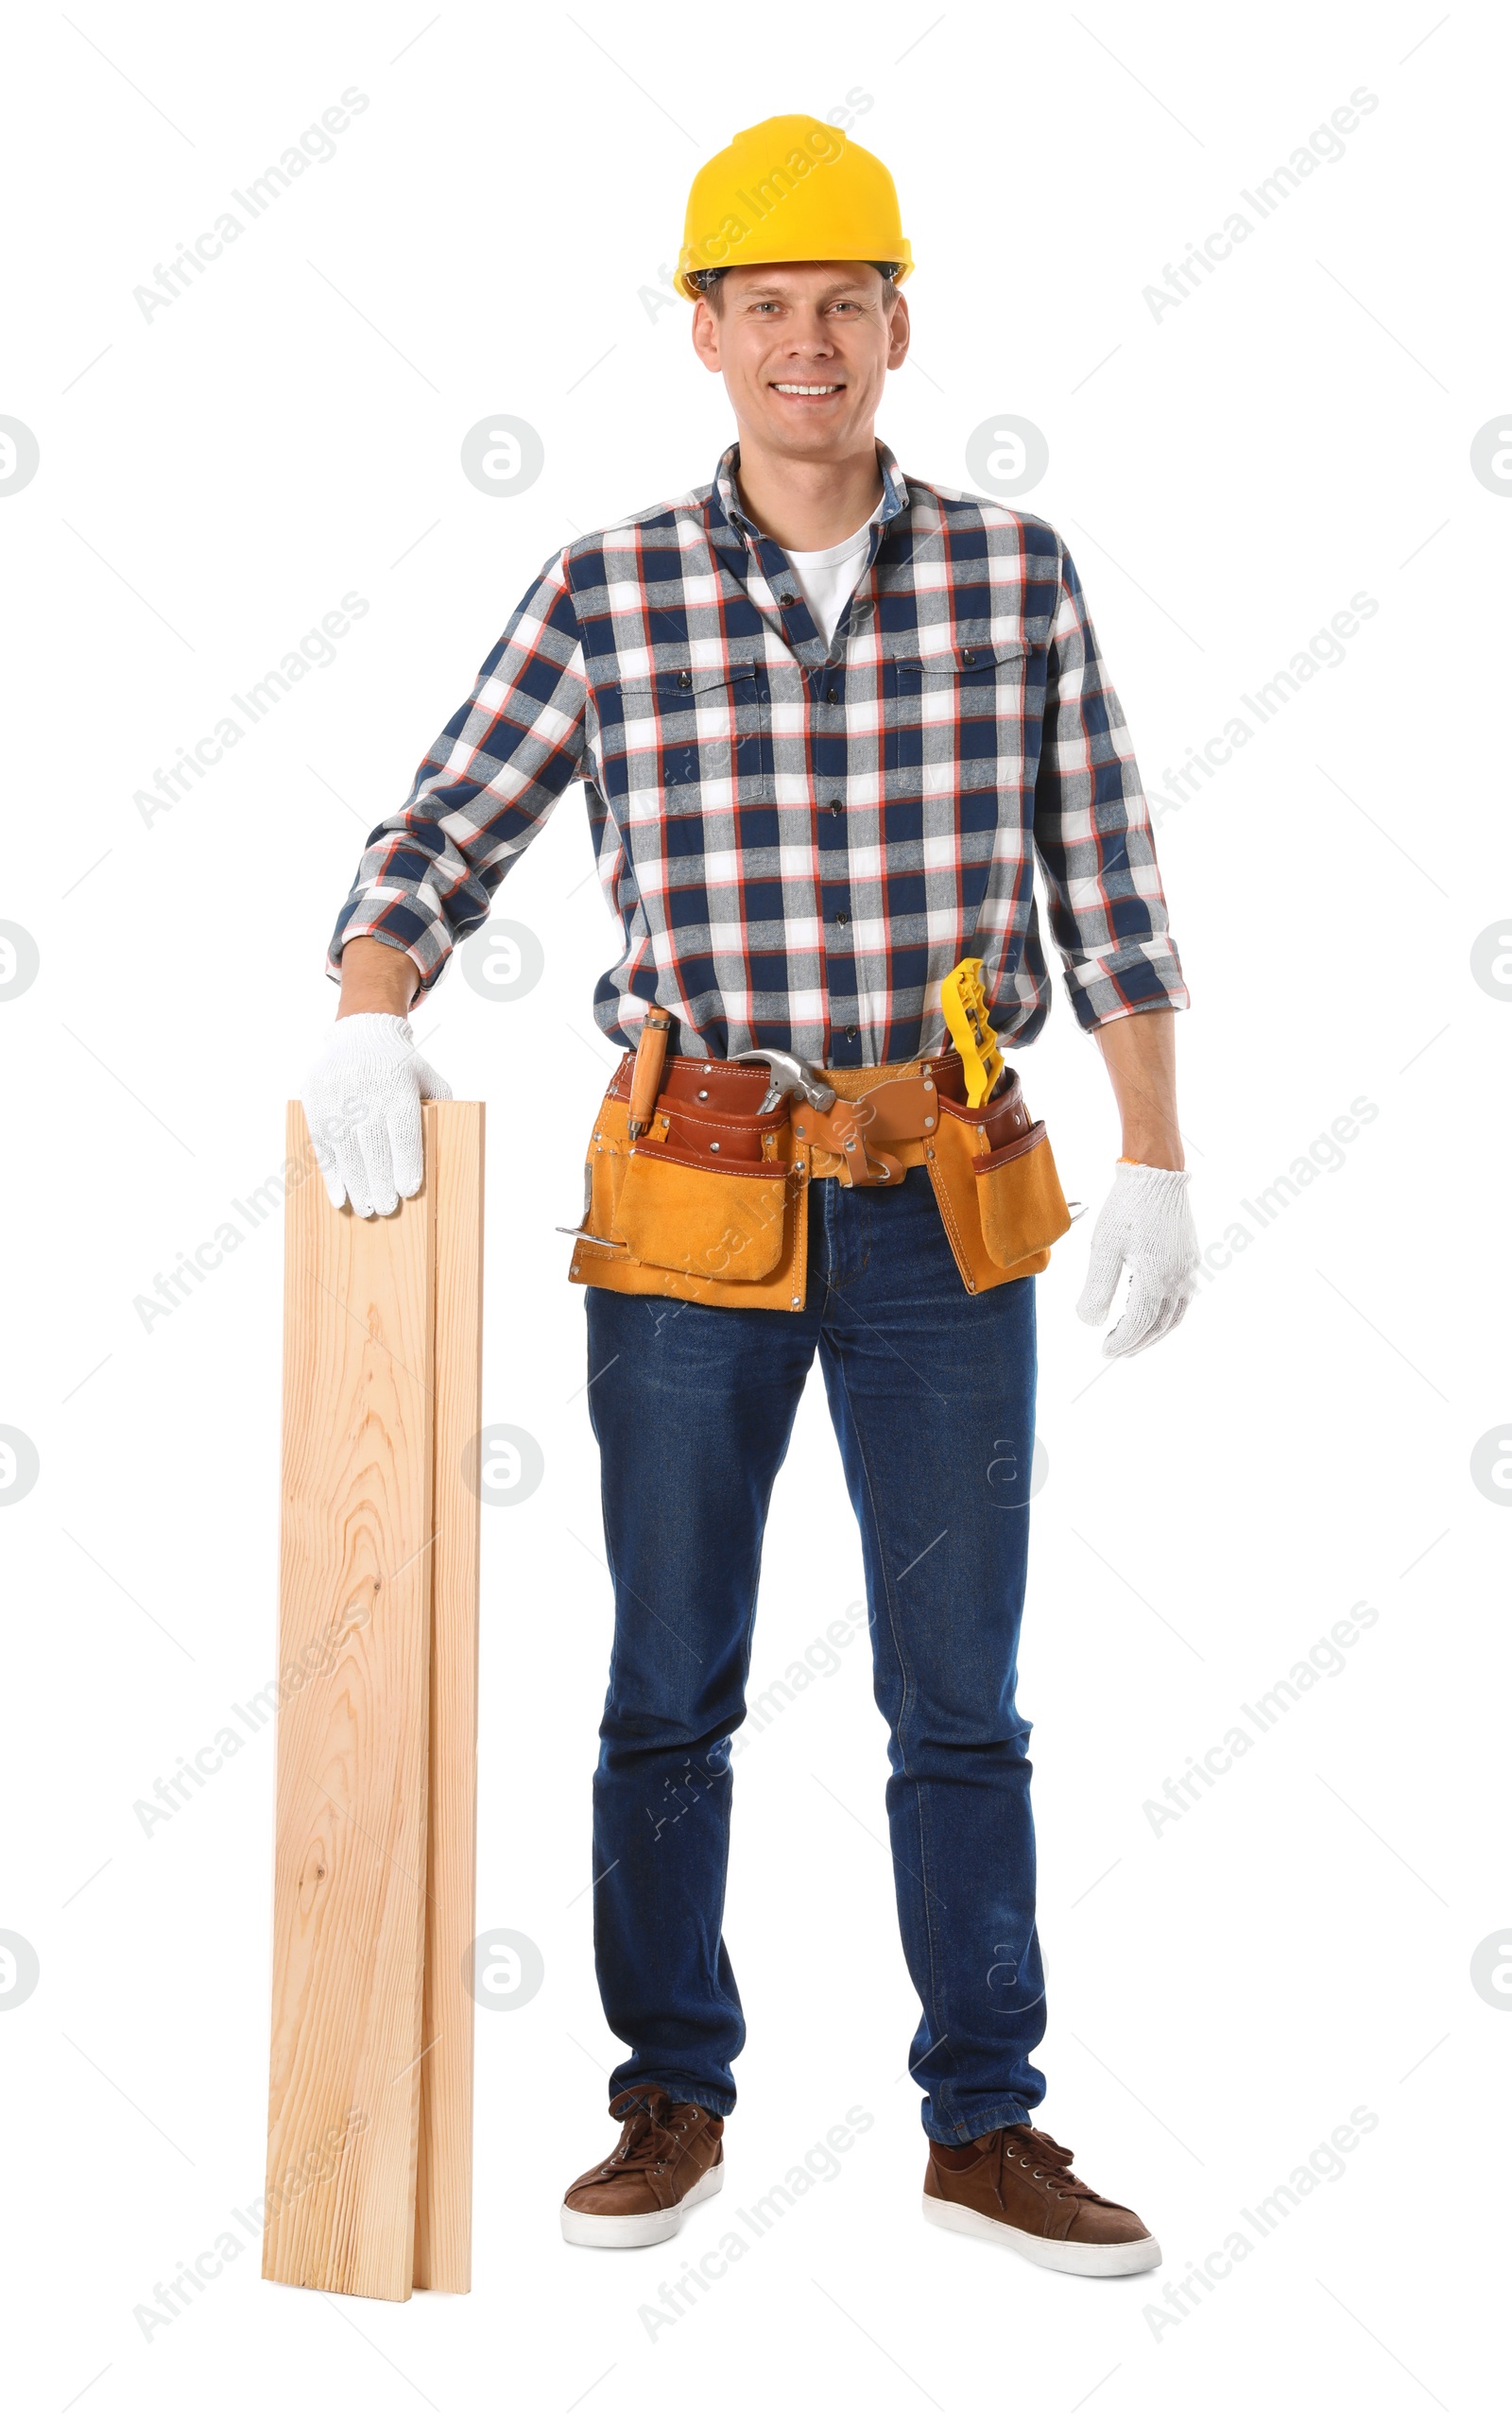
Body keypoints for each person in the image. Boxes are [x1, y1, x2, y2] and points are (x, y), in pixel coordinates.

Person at [303, 114, 1198, 2280]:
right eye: (764, 305)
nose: (807, 342)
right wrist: (364, 1005)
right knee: (668, 1677)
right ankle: (667, 2095)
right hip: (689, 1200)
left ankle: (981, 2123)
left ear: (901, 322)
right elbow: (435, 836)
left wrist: (1155, 1149)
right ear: (698, 332)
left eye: (843, 301)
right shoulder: (606, 590)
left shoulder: (1014, 574)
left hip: (939, 1196)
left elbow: (1110, 888)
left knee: (954, 1693)